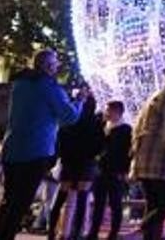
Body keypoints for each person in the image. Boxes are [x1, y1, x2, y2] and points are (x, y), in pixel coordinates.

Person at [0, 50, 83, 240]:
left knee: (9, 201)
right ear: (48, 66)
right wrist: (79, 100)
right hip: (35, 150)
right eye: (56, 63)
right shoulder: (49, 86)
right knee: (21, 203)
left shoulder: (19, 85)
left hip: (12, 149)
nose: (58, 66)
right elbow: (70, 116)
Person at [131, 65, 165, 240]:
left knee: (153, 204)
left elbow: (137, 127)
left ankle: (148, 235)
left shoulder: (154, 97)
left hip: (144, 159)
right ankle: (138, 231)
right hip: (162, 160)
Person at [50, 94, 105, 240]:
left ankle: (52, 232)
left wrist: (64, 156)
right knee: (82, 200)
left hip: (68, 162)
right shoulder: (95, 122)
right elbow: (100, 144)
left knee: (61, 199)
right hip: (86, 163)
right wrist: (92, 156)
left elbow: (59, 141)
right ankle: (77, 233)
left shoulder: (69, 120)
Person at [87, 101, 132, 240]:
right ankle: (93, 232)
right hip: (101, 170)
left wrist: (125, 171)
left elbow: (128, 152)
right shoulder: (103, 126)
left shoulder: (126, 129)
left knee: (115, 203)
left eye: (109, 110)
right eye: (106, 110)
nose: (106, 113)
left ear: (118, 112)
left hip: (116, 171)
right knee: (99, 203)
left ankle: (113, 233)